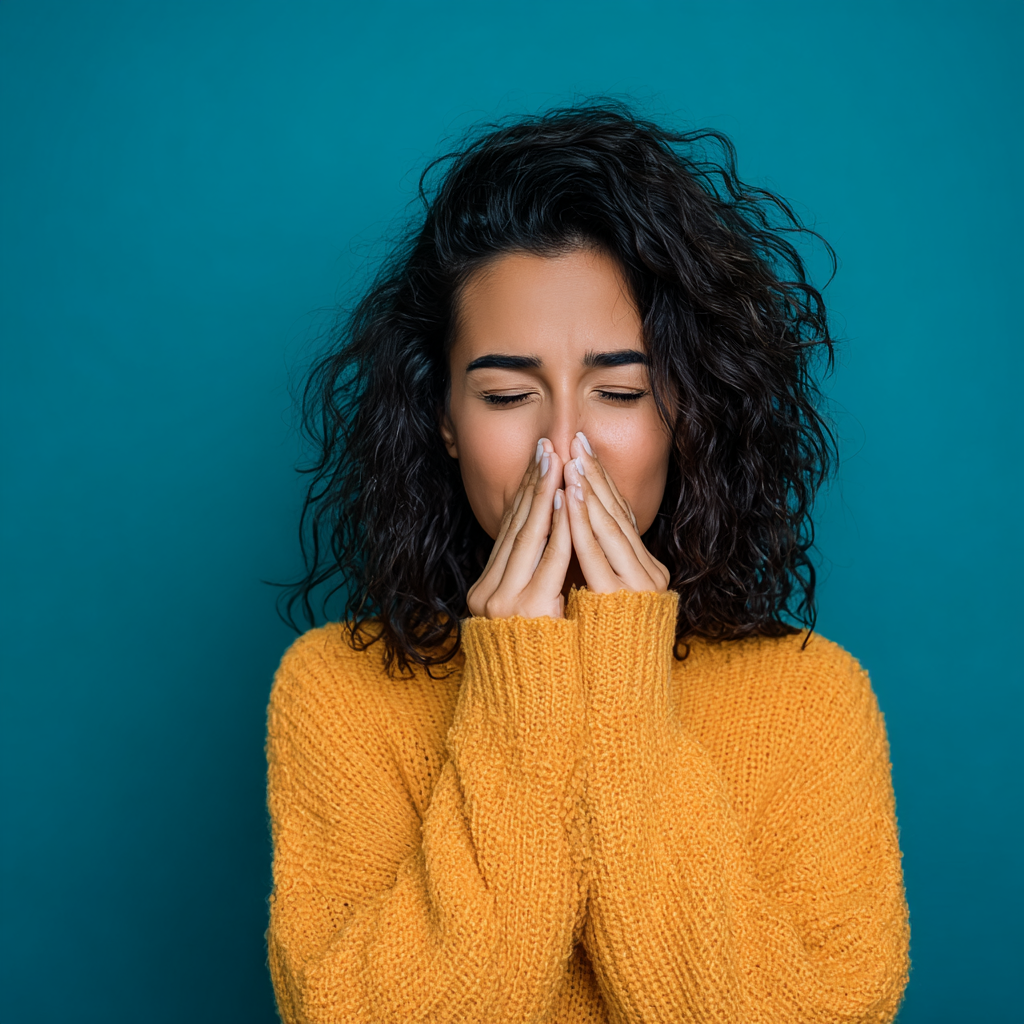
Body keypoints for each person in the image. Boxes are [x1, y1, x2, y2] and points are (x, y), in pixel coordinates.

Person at [265, 103, 910, 1023]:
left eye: (618, 391)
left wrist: (620, 678)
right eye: (505, 393)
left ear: (687, 411)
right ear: (444, 421)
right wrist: (522, 682)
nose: (563, 448)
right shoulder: (337, 691)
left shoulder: (813, 701)